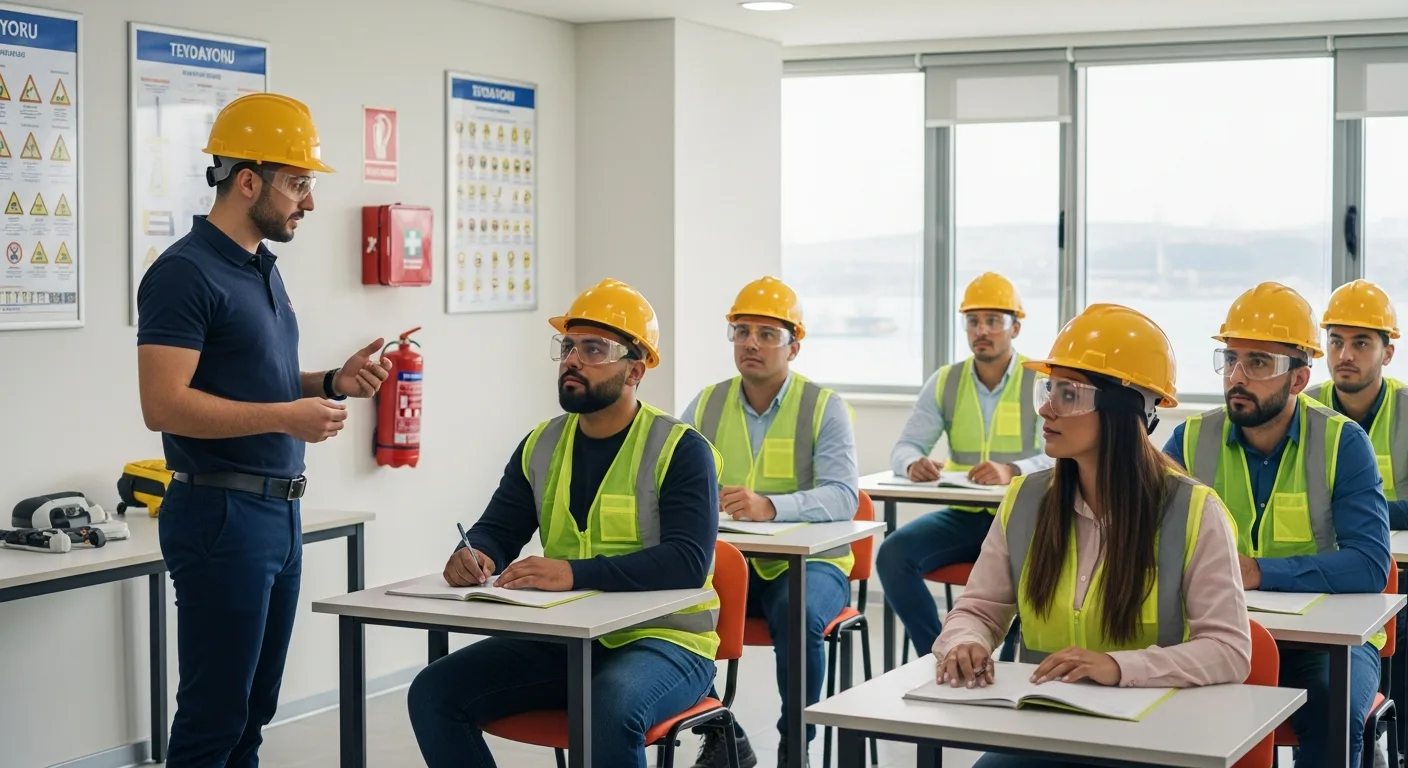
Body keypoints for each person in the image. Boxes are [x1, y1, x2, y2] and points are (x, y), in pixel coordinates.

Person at [135, 93, 392, 767]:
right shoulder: (184, 273)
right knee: (214, 719)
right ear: (247, 180)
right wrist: (288, 417)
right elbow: (163, 405)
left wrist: (331, 382)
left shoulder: (259, 270)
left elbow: (252, 379)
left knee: (252, 715)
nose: (308, 203)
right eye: (298, 183)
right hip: (220, 513)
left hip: (276, 514)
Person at [406, 279, 722, 768]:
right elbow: (499, 528)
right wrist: (477, 554)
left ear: (635, 370)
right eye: (568, 346)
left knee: (611, 706)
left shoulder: (681, 449)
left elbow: (687, 562)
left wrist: (573, 574)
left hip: (666, 643)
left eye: (594, 349)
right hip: (569, 642)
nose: (573, 359)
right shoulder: (542, 443)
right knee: (434, 691)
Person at [937, 304, 1251, 768]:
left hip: (1155, 733)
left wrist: (1120, 666)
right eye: (1049, 389)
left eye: (1068, 394)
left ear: (1122, 413)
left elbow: (1228, 651)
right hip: (1045, 725)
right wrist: (966, 640)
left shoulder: (1194, 512)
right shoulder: (1025, 501)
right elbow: (979, 607)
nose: (1046, 407)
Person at [1164, 281, 1391, 768]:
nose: (1236, 377)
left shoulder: (1342, 443)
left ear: (1298, 378)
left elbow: (1370, 565)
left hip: (1322, 648)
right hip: (1214, 632)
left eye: (1259, 363)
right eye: (1230, 359)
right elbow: (1145, 539)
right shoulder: (1189, 440)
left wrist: (1259, 571)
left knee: (1334, 707)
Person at [681, 276, 860, 768]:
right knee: (665, 606)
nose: (751, 344)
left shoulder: (824, 407)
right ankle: (722, 729)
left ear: (793, 346)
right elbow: (668, 483)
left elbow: (844, 496)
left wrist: (771, 505)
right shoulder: (705, 405)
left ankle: (793, 744)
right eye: (741, 332)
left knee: (796, 613)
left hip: (812, 567)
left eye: (766, 333)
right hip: (732, 562)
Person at [878, 272, 1053, 660]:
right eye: (973, 321)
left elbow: (1061, 455)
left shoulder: (1040, 381)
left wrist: (1014, 469)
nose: (982, 330)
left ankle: (1008, 666)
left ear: (1016, 327)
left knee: (1044, 569)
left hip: (1024, 519)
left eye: (993, 321)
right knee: (893, 554)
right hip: (964, 517)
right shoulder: (946, 381)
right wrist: (912, 464)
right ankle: (940, 654)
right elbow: (905, 446)